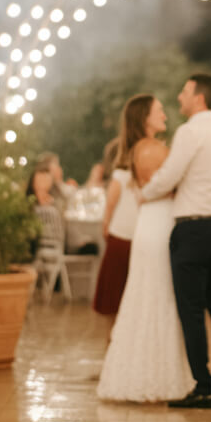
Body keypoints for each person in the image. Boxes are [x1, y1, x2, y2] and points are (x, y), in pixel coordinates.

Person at [141, 74, 211, 408]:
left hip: (193, 227)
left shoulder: (189, 132)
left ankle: (203, 386)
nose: (179, 96)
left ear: (199, 98)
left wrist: (144, 194)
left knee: (191, 310)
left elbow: (171, 174)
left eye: (184, 91)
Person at [97, 96, 193, 402]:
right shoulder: (151, 149)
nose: (164, 113)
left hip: (152, 223)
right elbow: (168, 182)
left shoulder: (141, 148)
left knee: (149, 296)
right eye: (158, 110)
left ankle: (146, 371)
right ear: (144, 118)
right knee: (157, 296)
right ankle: (156, 376)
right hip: (156, 224)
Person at [90, 125, 138, 318]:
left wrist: (106, 225)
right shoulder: (132, 176)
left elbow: (110, 205)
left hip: (120, 235)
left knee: (115, 291)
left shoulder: (119, 176)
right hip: (130, 234)